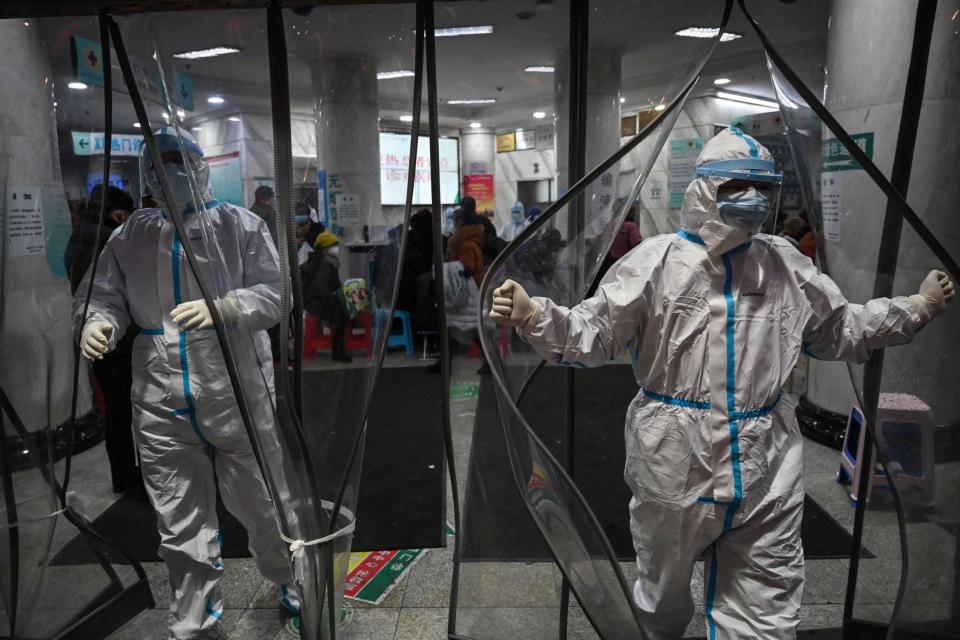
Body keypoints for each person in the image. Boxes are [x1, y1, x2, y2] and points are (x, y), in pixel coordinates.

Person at [489, 127, 955, 639]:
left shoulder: (784, 265)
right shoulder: (657, 261)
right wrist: (536, 314)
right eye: (735, 186)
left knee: (766, 603)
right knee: (661, 597)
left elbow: (841, 328)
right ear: (705, 190)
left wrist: (916, 308)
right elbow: (594, 333)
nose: (753, 199)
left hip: (766, 463)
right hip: (672, 461)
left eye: (764, 189)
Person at [74, 127, 300, 639]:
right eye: (158, 161)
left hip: (235, 391)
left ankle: (295, 582)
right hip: (160, 399)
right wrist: (95, 322)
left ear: (199, 167)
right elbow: (100, 294)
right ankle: (196, 621)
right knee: (179, 521)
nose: (168, 170)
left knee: (266, 504)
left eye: (178, 159)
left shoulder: (237, 225)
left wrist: (226, 307)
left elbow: (277, 292)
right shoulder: (129, 235)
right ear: (146, 174)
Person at [64, 184, 143, 495]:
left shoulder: (78, 235)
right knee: (133, 409)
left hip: (92, 334)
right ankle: (134, 478)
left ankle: (123, 476)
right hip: (117, 338)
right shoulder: (112, 239)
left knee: (115, 409)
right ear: (119, 213)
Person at [301, 223, 352, 363]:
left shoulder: (326, 263)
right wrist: (338, 300)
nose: (335, 249)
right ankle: (338, 352)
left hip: (316, 300)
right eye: (332, 246)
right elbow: (320, 290)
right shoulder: (325, 266)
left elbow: (333, 287)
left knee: (343, 310)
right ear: (323, 249)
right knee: (341, 315)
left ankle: (340, 351)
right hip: (314, 302)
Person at [446, 197, 486, 287]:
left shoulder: (464, 244)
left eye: (455, 220)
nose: (454, 223)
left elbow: (467, 269)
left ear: (461, 222)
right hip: (475, 283)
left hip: (469, 287)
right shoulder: (469, 239)